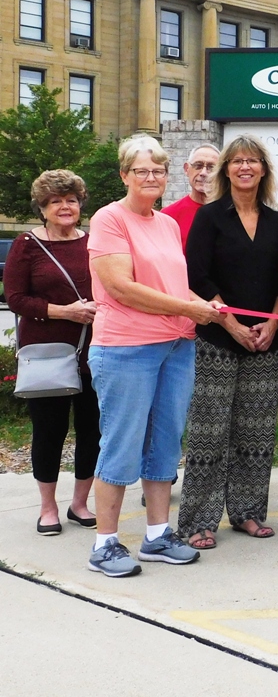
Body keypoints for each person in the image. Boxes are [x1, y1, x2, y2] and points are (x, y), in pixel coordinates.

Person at [86, 135, 223, 578]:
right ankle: (105, 544)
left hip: (176, 346)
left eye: (158, 170)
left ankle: (157, 535)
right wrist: (189, 308)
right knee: (122, 444)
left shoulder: (165, 224)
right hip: (126, 348)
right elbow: (121, 287)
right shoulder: (109, 219)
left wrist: (207, 306)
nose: (151, 177)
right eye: (141, 170)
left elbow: (174, 287)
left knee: (165, 442)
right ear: (124, 175)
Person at [176, 135, 278, 550]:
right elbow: (196, 276)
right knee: (208, 434)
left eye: (252, 160)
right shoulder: (210, 217)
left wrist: (272, 324)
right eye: (237, 161)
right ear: (226, 169)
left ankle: (248, 512)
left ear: (263, 169)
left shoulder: (277, 221)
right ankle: (198, 521)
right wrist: (233, 325)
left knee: (256, 433)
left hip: (264, 341)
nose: (245, 167)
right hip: (217, 340)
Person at [4, 170, 100, 535]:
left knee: (93, 431)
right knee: (49, 431)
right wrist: (65, 311)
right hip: (47, 354)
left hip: (93, 351)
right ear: (42, 208)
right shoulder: (27, 245)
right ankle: (47, 508)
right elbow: (15, 298)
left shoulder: (93, 242)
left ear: (80, 205)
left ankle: (79, 503)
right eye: (55, 201)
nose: (65, 206)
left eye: (71, 200)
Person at [161, 144, 219, 250]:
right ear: (187, 169)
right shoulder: (168, 216)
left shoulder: (232, 213)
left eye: (211, 167)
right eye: (198, 166)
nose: (203, 173)